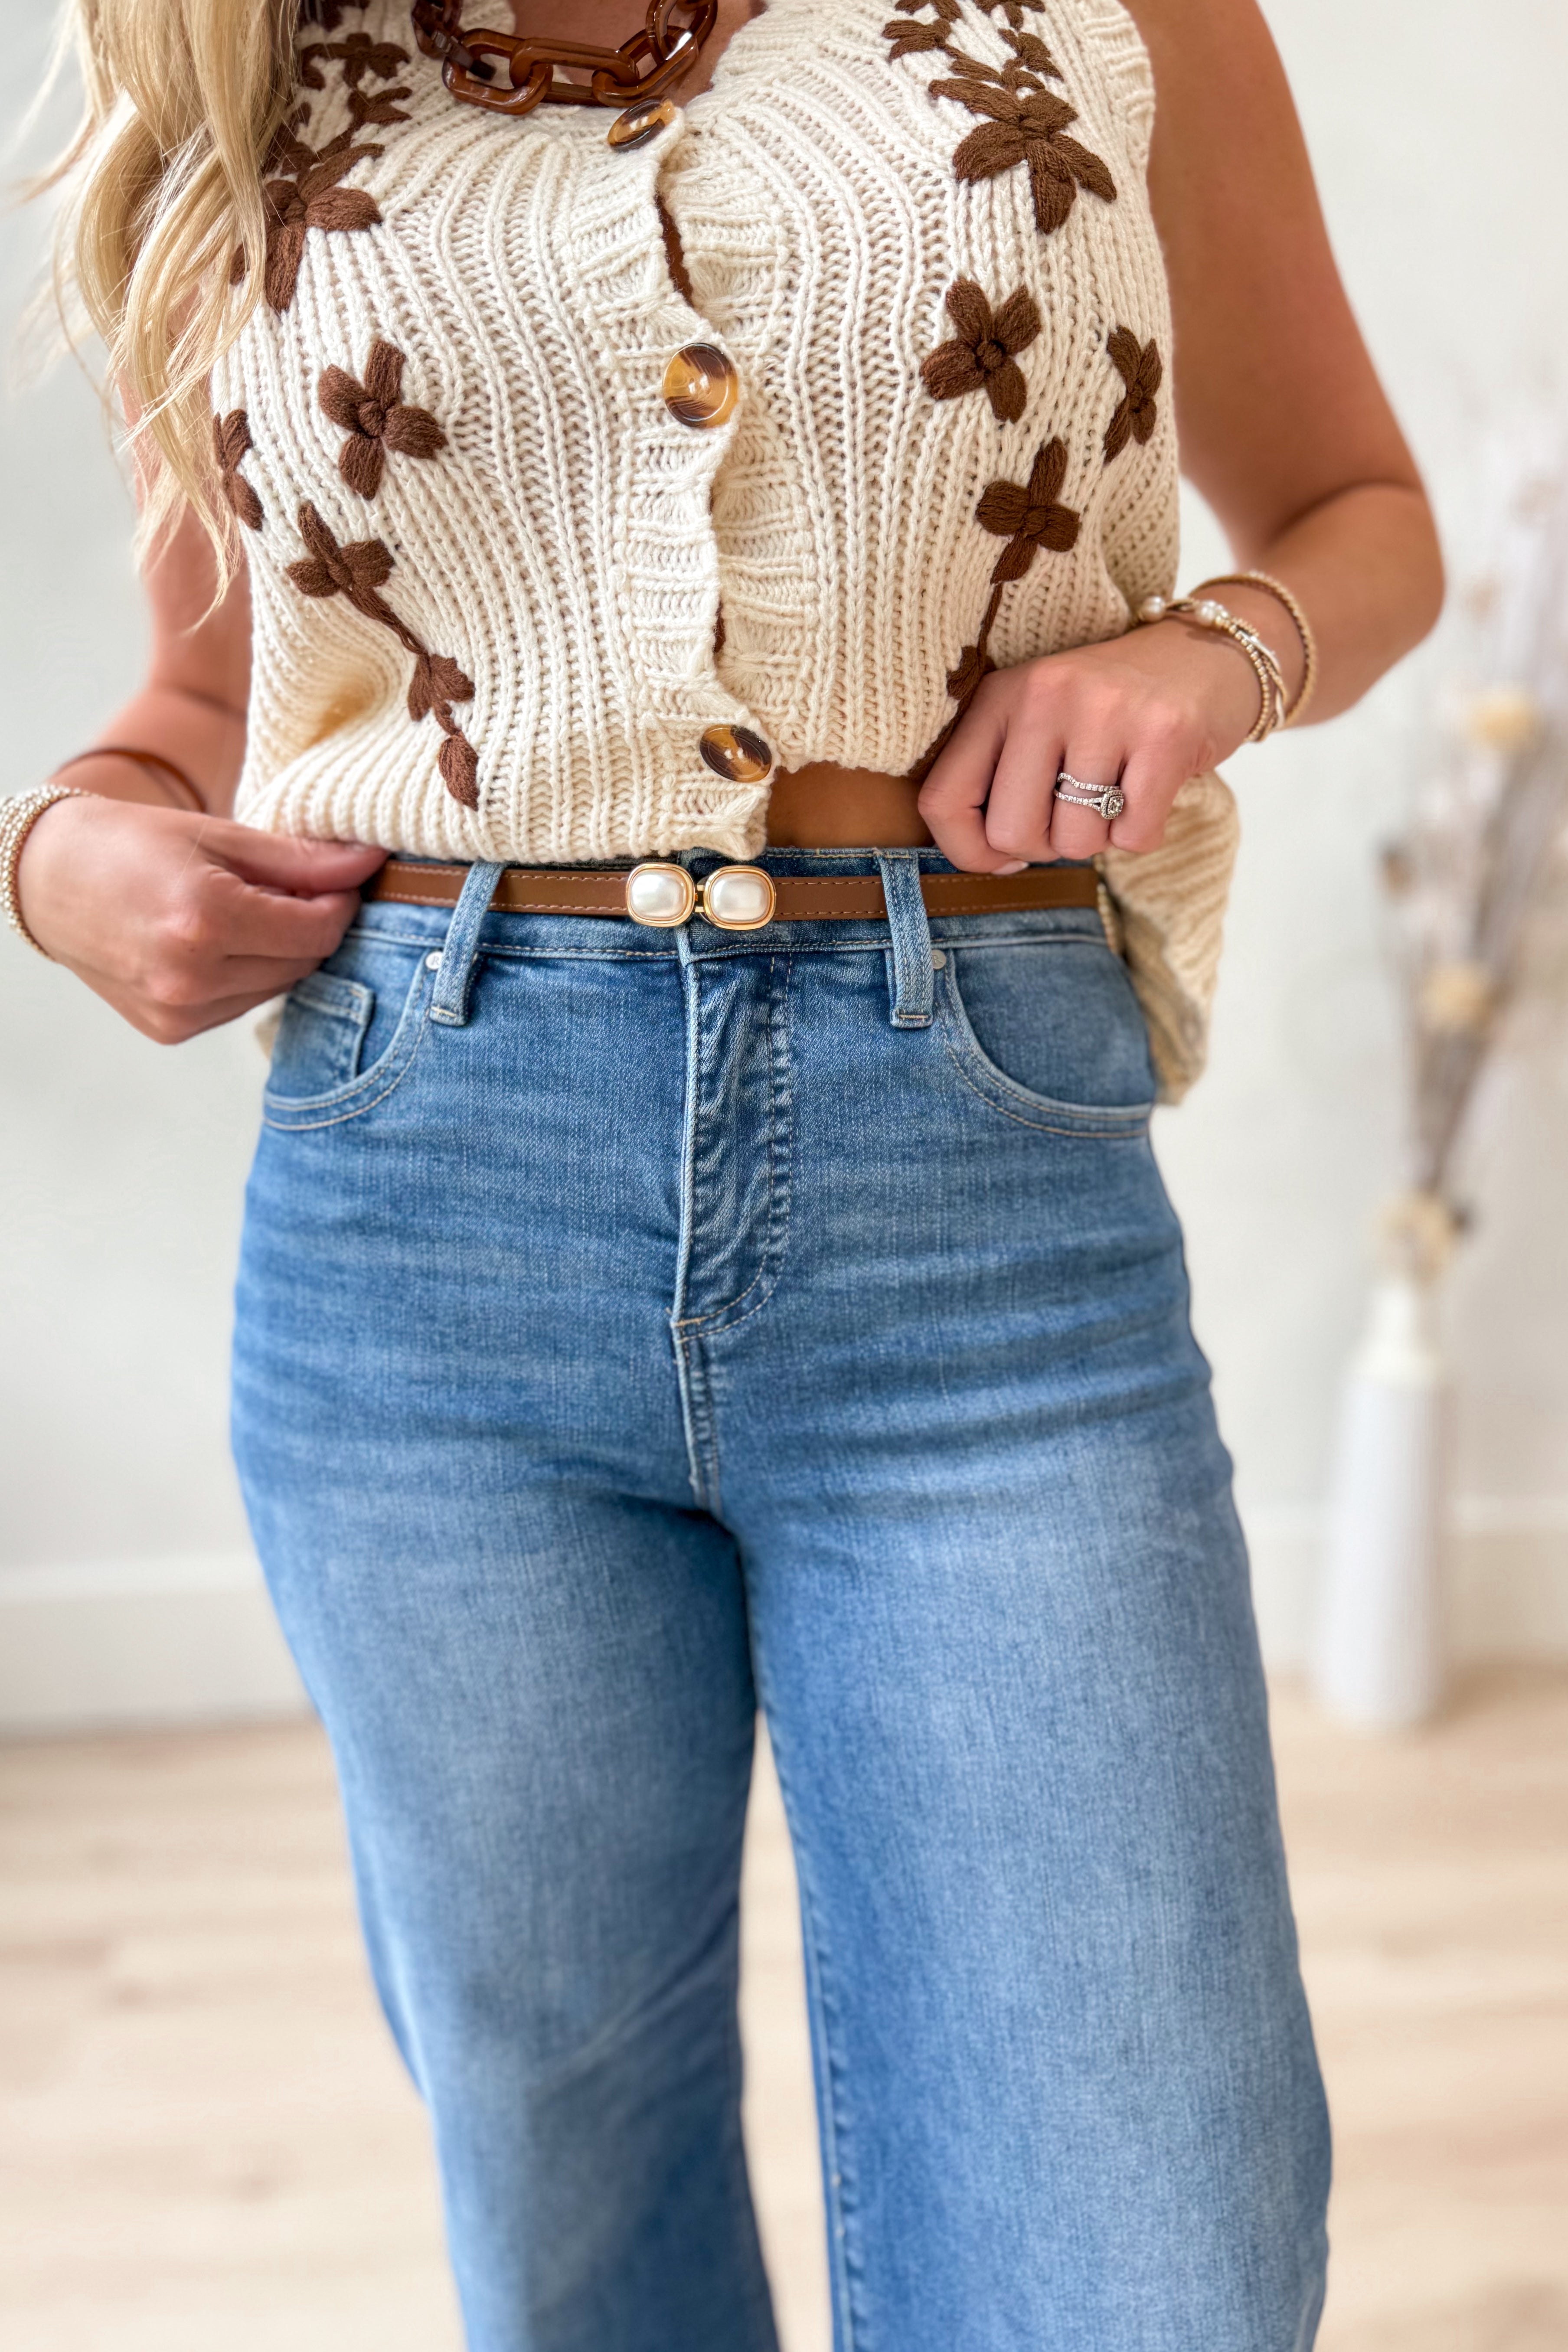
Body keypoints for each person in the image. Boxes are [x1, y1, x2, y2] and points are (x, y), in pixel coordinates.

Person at [7, 0, 1441, 2343]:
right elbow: (202, 702)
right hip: (431, 1219)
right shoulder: (245, 68)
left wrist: (1209, 662)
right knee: (573, 2185)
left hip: (979, 1207)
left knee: (1154, 2250)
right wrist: (60, 852)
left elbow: (1357, 520)